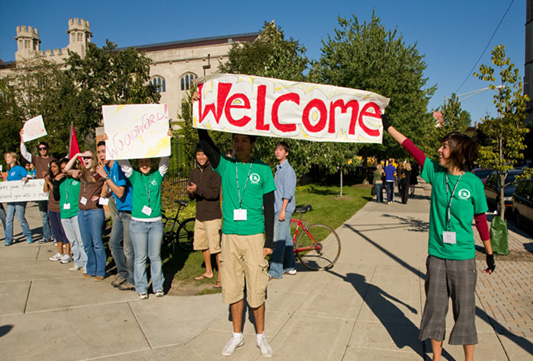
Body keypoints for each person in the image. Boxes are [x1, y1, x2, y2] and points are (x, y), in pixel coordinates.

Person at [381, 114, 495, 361]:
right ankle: (436, 356)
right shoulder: (436, 175)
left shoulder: (474, 183)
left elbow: (482, 222)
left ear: (456, 152)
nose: (439, 150)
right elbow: (411, 148)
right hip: (437, 257)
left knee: (464, 312)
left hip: (463, 259)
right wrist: (388, 125)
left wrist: (489, 254)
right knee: (435, 310)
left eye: (444, 146)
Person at [197, 127, 275, 358]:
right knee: (233, 288)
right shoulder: (225, 165)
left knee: (257, 288)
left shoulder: (263, 169)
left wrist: (268, 241)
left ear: (252, 144)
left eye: (244, 141)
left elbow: (269, 208)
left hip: (254, 237)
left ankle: (261, 337)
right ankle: (237, 336)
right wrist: (199, 113)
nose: (239, 145)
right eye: (236, 140)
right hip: (230, 236)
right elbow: (206, 143)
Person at [118, 139, 171, 299]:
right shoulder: (134, 177)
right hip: (138, 224)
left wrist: (166, 140)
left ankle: (158, 287)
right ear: (138, 164)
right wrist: (113, 144)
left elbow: (165, 161)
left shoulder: (157, 176)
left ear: (151, 162)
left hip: (155, 224)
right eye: (141, 161)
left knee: (155, 257)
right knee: (140, 258)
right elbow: (124, 164)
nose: (145, 164)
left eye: (147, 161)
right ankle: (141, 287)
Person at [96, 141, 135, 291]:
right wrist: (106, 193)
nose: (101, 155)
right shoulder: (108, 167)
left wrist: (106, 177)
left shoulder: (118, 166)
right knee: (113, 243)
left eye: (103, 151)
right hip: (120, 211)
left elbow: (120, 191)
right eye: (99, 152)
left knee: (128, 248)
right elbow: (113, 190)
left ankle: (133, 280)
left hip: (129, 212)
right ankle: (123, 273)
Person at [65, 150, 106, 281]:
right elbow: (66, 169)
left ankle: (100, 271)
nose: (86, 160)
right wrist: (76, 156)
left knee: (97, 243)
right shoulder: (82, 170)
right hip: (82, 211)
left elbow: (91, 180)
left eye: (88, 157)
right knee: (87, 243)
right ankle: (91, 268)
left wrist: (80, 175)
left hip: (94, 211)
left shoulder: (98, 171)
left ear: (94, 158)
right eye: (84, 158)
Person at [187, 143, 222, 288]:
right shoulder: (194, 173)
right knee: (203, 245)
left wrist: (198, 190)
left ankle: (221, 275)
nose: (201, 157)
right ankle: (208, 271)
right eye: (198, 154)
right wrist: (191, 192)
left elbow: (214, 194)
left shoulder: (214, 172)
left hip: (212, 216)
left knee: (216, 247)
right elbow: (192, 196)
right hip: (200, 215)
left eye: (203, 154)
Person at [20, 130, 56, 243]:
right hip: (40, 191)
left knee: (53, 215)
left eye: (44, 148)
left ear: (47, 149)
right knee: (44, 216)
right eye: (40, 148)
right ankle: (46, 236)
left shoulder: (53, 160)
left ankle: (56, 236)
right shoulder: (36, 159)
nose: (42, 150)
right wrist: (22, 139)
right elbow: (24, 153)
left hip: (50, 189)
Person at [268, 141, 297, 279]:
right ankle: (289, 266)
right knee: (286, 239)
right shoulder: (279, 169)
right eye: (276, 149)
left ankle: (275, 271)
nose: (277, 152)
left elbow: (288, 193)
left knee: (278, 240)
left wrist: (283, 210)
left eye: (281, 150)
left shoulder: (288, 170)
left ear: (286, 153)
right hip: (279, 207)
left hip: (282, 208)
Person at [53, 158, 87, 272]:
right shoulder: (61, 181)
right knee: (72, 240)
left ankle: (86, 263)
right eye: (62, 168)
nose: (65, 171)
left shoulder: (77, 179)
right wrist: (56, 183)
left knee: (81, 240)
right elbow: (56, 197)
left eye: (66, 168)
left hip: (75, 212)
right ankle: (78, 262)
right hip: (64, 214)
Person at [4, 152, 34, 246]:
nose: (6, 159)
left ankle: (28, 236)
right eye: (6, 157)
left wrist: (25, 178)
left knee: (20, 218)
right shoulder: (10, 170)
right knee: (8, 219)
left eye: (8, 157)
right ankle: (8, 238)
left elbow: (29, 176)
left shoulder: (19, 168)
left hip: (20, 197)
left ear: (14, 158)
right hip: (11, 197)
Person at [44, 159, 71, 263]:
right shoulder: (52, 178)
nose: (53, 169)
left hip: (60, 207)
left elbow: (57, 193)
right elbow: (46, 190)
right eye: (51, 167)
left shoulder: (62, 178)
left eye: (54, 167)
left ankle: (67, 253)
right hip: (51, 207)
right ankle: (60, 252)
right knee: (56, 232)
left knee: (64, 231)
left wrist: (51, 182)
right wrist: (46, 181)